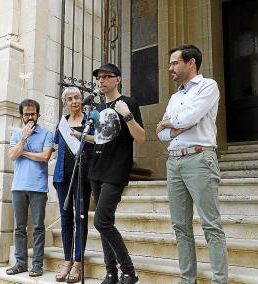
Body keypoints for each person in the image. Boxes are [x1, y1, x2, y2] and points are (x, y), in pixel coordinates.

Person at [156, 44, 228, 284]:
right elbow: (160, 133)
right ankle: (188, 280)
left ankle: (220, 281)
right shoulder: (175, 97)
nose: (170, 68)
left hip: (199, 158)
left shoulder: (208, 86)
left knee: (211, 226)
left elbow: (190, 118)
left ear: (191, 63)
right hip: (174, 161)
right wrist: (173, 127)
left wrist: (171, 123)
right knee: (180, 226)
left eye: (175, 63)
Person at [89, 63, 145, 284]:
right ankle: (111, 273)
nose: (101, 81)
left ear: (117, 79)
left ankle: (129, 271)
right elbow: (103, 138)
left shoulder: (128, 103)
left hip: (116, 169)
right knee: (106, 222)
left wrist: (127, 115)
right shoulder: (101, 107)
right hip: (97, 168)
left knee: (101, 221)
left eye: (105, 77)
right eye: (98, 78)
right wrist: (81, 135)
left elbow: (141, 137)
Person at [6, 99, 54, 277]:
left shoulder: (47, 134)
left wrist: (23, 152)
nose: (30, 117)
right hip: (18, 186)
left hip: (38, 187)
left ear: (38, 115)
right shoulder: (17, 135)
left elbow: (45, 156)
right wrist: (24, 137)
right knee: (19, 227)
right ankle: (20, 264)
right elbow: (12, 156)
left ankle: (37, 265)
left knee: (38, 227)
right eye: (26, 114)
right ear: (21, 116)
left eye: (33, 114)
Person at [53, 87, 94, 283]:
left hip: (82, 177)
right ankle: (67, 260)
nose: (75, 101)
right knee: (65, 219)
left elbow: (96, 144)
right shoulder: (61, 124)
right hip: (63, 177)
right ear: (65, 103)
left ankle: (78, 263)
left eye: (77, 97)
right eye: (70, 99)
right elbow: (59, 149)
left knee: (80, 219)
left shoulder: (90, 121)